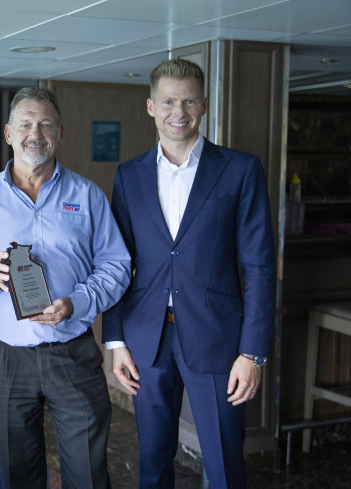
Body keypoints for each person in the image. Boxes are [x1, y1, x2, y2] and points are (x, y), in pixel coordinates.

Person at [103, 58, 276, 489]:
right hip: (148, 340)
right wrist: (116, 339)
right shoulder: (128, 176)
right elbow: (117, 263)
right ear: (150, 106)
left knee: (223, 465)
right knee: (152, 464)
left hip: (221, 341)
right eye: (167, 101)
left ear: (203, 105)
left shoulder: (240, 169)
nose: (177, 111)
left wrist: (252, 353)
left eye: (188, 101)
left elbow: (259, 266)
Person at [0, 87, 131, 489]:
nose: (36, 133)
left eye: (46, 124)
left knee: (88, 471)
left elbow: (117, 266)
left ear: (60, 133)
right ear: (9, 133)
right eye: (26, 124)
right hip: (5, 357)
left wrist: (76, 302)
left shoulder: (87, 195)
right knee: (19, 473)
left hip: (72, 350)